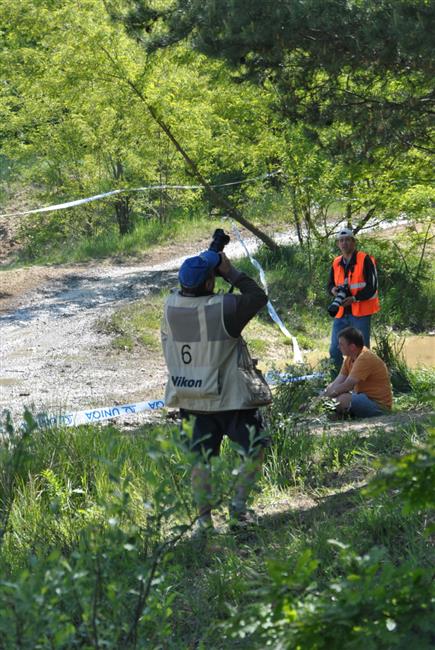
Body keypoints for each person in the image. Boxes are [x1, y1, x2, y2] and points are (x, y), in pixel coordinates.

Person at [161, 248, 272, 533]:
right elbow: (258, 297)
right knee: (255, 449)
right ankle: (237, 509)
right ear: (211, 283)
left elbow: (190, 291)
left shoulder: (170, 306)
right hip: (231, 399)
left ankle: (203, 522)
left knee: (201, 462)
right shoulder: (223, 308)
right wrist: (230, 272)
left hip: (192, 399)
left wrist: (206, 270)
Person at [328, 227, 380, 369]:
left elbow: (372, 287)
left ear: (353, 242)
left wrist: (354, 298)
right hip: (341, 312)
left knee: (361, 351)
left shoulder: (365, 259)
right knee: (334, 350)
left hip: (361, 313)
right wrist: (333, 290)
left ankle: (363, 383)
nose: (344, 243)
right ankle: (337, 382)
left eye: (347, 240)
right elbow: (330, 284)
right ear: (338, 244)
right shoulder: (336, 262)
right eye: (341, 240)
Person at [324, 326, 392, 418]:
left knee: (342, 399)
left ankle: (339, 414)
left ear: (352, 347)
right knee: (334, 394)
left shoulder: (365, 358)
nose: (338, 347)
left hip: (378, 406)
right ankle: (338, 414)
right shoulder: (349, 358)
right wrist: (318, 399)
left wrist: (327, 398)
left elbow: (347, 385)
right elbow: (337, 382)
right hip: (364, 399)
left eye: (341, 344)